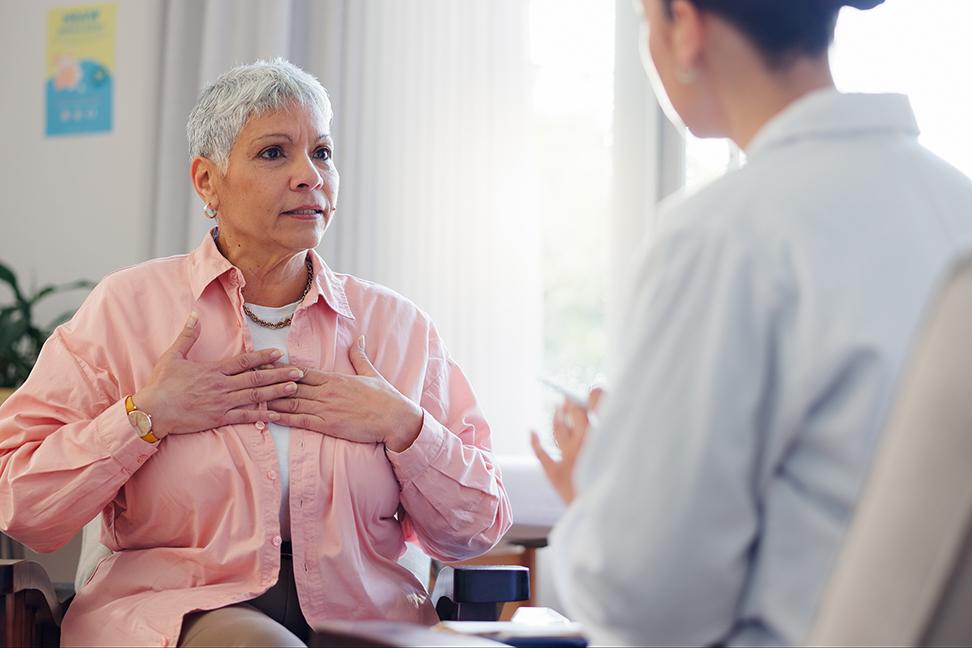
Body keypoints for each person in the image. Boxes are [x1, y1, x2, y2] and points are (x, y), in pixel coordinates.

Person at [0, 59, 511, 647]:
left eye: (322, 152)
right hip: (185, 613)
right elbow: (22, 504)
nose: (309, 176)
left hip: (367, 619)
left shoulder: (398, 327)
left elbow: (475, 528)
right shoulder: (128, 309)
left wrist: (402, 425)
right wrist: (145, 417)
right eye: (274, 153)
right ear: (207, 181)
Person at [532, 0, 972, 645]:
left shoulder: (723, 236)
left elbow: (644, 600)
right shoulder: (956, 203)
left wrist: (600, 501)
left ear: (683, 24)